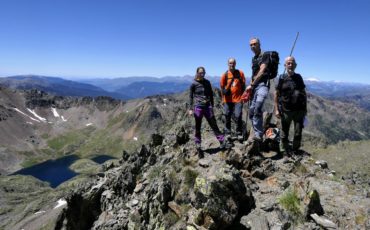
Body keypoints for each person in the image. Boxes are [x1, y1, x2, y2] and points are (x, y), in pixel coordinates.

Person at [189, 66, 225, 156]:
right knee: (198, 127)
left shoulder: (207, 82)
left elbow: (211, 95)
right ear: (197, 73)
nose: (202, 74)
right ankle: (198, 145)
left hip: (207, 107)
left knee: (214, 124)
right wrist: (190, 108)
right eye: (200, 73)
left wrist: (212, 106)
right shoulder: (193, 84)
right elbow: (190, 97)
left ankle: (222, 142)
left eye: (203, 73)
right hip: (198, 107)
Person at [274, 56, 307, 155]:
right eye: (288, 63)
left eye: (292, 63)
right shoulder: (281, 78)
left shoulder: (299, 77)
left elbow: (304, 93)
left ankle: (295, 150)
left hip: (299, 110)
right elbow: (276, 94)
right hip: (286, 110)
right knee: (284, 132)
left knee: (298, 133)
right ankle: (284, 150)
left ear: (295, 65)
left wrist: (305, 108)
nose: (290, 64)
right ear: (285, 65)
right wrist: (276, 109)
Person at [246, 38, 271, 142]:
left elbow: (261, 71)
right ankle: (257, 130)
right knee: (251, 111)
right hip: (254, 86)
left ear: (259, 44)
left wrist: (251, 84)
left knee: (258, 106)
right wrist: (251, 87)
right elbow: (254, 73)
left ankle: (258, 135)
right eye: (251, 45)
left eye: (254, 44)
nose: (252, 46)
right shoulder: (254, 58)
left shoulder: (265, 55)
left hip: (263, 85)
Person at [220, 58, 246, 141]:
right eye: (230, 63)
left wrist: (244, 96)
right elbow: (222, 87)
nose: (232, 64)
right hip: (227, 100)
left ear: (235, 64)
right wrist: (222, 99)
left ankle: (239, 132)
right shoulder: (225, 75)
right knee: (227, 115)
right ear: (228, 64)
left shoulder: (240, 73)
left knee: (238, 115)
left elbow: (243, 85)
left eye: (233, 63)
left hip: (238, 99)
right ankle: (228, 132)